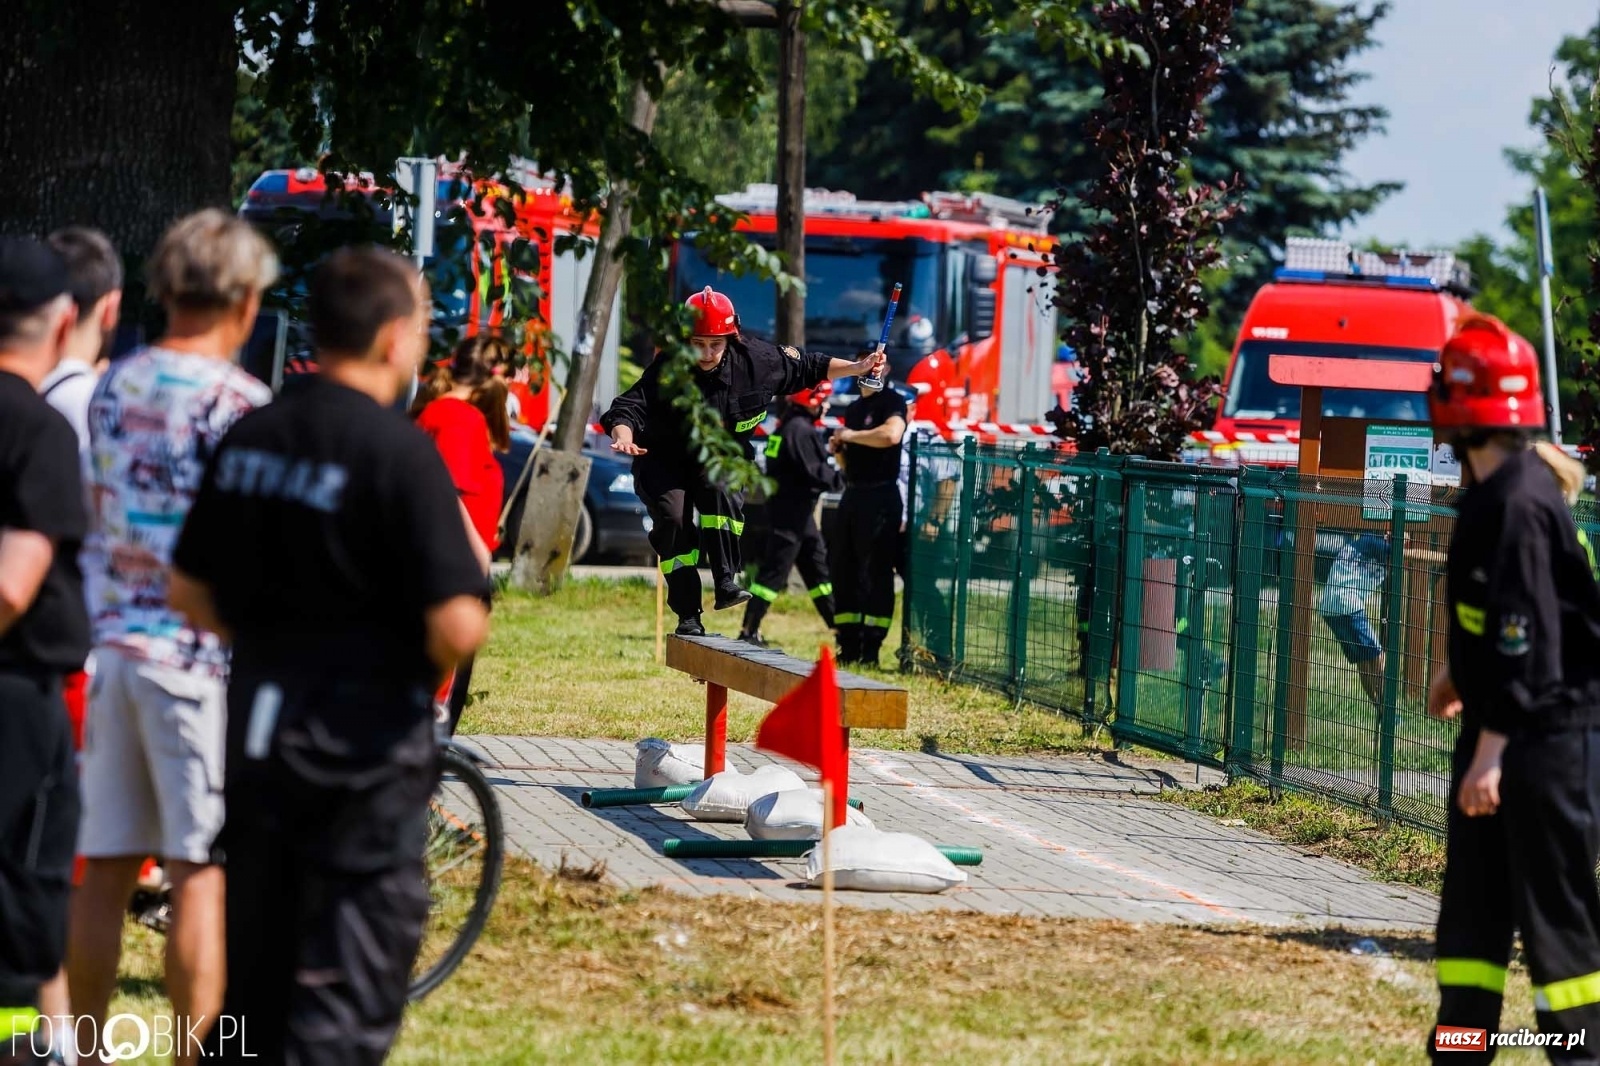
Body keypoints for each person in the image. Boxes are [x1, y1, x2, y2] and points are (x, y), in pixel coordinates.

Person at [168, 246, 490, 1064]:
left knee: (253, 991)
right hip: (360, 766)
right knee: (337, 1003)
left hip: (258, 744)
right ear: (393, 338)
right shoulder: (397, 453)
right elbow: (456, 624)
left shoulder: (255, 432)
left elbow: (189, 589)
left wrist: (279, 641)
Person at [68, 209, 276, 1065]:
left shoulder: (114, 383)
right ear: (243, 300)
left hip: (113, 649)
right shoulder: (241, 403)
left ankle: (80, 1048)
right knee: (200, 872)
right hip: (199, 662)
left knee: (106, 867)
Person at [1424, 313, 1600, 1064]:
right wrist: (1458, 674)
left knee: (1558, 935)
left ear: (1461, 410)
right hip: (1502, 731)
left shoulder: (1521, 503)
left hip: (1542, 743)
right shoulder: (1496, 495)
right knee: (1472, 924)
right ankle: (1461, 1050)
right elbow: (1498, 615)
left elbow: (1529, 637)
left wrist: (1492, 749)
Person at [601, 286, 885, 636]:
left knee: (719, 486)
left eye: (715, 344)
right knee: (674, 520)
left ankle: (725, 581)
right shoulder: (669, 367)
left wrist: (859, 367)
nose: (706, 353)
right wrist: (623, 435)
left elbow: (812, 367)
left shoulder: (758, 361)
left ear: (731, 337)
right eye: (698, 343)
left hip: (721, 456)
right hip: (666, 460)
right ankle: (688, 614)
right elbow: (629, 406)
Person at [0, 238, 87, 1065]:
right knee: (24, 893)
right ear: (64, 323)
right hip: (17, 698)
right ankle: (29, 1048)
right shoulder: (37, 429)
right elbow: (13, 585)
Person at [409, 332, 506, 731]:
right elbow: (450, 493)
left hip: (435, 564)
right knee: (441, 692)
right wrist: (476, 557)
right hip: (453, 568)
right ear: (494, 376)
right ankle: (420, 780)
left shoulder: (435, 412)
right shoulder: (459, 419)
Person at [736, 380, 843, 649]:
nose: (827, 405)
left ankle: (841, 630)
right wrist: (841, 479)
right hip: (790, 516)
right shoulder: (799, 430)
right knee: (774, 573)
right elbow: (813, 470)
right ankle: (749, 631)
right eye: (824, 400)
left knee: (818, 572)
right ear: (812, 401)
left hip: (799, 516)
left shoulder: (789, 426)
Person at [828, 380, 909, 666]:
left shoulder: (892, 401)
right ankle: (848, 645)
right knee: (843, 569)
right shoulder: (853, 408)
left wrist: (850, 434)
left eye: (877, 362)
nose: (871, 368)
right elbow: (847, 465)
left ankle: (871, 648)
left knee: (875, 573)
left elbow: (891, 435)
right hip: (853, 493)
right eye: (863, 362)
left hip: (881, 495)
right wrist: (840, 448)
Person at [1317, 532, 1389, 712]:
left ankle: (1379, 707)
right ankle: (1387, 710)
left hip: (1329, 607)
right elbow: (1407, 555)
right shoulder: (1376, 542)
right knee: (1378, 655)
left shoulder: (1367, 543)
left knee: (1362, 660)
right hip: (1347, 603)